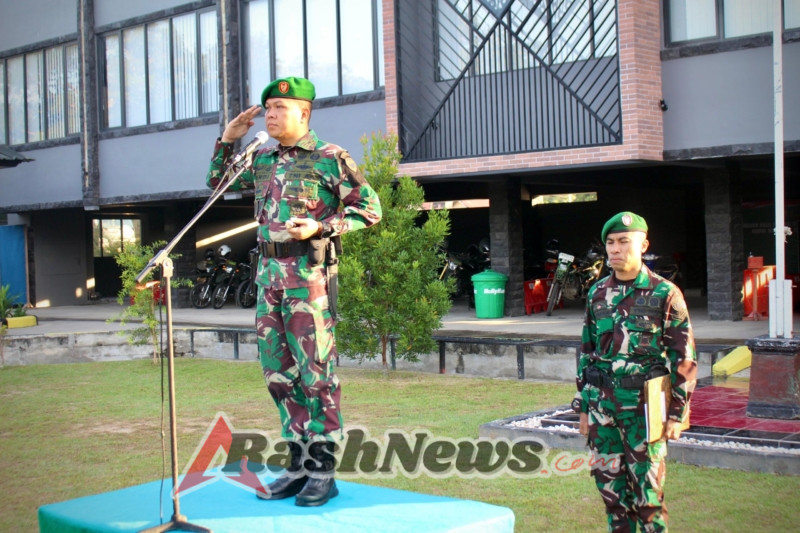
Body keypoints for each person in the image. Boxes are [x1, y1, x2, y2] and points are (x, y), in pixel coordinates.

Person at [206, 76, 382, 506]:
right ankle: (296, 466)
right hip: (267, 281)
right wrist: (228, 140)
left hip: (309, 282)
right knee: (279, 377)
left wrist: (323, 225)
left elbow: (369, 209)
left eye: (279, 108)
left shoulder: (329, 158)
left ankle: (323, 471)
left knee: (315, 375)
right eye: (267, 108)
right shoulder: (261, 156)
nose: (269, 115)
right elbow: (217, 186)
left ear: (303, 113)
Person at [571, 211, 697, 532]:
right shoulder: (597, 292)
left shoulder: (665, 293)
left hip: (646, 409)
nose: (615, 249)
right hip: (602, 410)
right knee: (611, 495)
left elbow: (684, 357)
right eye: (610, 243)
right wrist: (583, 407)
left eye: (624, 241)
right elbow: (588, 352)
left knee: (648, 497)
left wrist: (677, 413)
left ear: (643, 245)